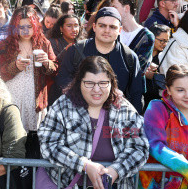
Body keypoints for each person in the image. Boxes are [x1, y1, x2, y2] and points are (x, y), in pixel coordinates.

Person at [38, 56, 149, 189]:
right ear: (80, 82)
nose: (96, 90)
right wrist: (84, 165)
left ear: (111, 83)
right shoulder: (63, 106)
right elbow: (49, 144)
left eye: (103, 83)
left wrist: (115, 171)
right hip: (66, 184)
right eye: (89, 83)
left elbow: (139, 148)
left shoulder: (124, 111)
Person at [0, 6, 57, 158]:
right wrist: (14, 67)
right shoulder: (6, 45)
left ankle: (31, 176)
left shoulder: (43, 43)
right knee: (13, 140)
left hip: (35, 101)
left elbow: (54, 70)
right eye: (21, 27)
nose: (26, 31)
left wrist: (47, 63)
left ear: (36, 26)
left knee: (34, 144)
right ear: (15, 27)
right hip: (12, 99)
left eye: (29, 26)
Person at [56, 7, 145, 113]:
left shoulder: (129, 57)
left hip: (116, 119)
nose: (107, 30)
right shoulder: (76, 51)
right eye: (102, 25)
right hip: (80, 115)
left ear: (120, 30)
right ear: (94, 27)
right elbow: (63, 82)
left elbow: (136, 94)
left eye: (112, 27)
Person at [111, 0, 154, 73]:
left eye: (115, 7)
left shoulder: (146, 36)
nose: (112, 11)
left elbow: (138, 69)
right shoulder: (114, 32)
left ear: (126, 8)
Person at [144, 24, 171, 109]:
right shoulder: (141, 54)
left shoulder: (165, 57)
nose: (164, 44)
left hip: (156, 102)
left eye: (167, 41)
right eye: (162, 41)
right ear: (152, 37)